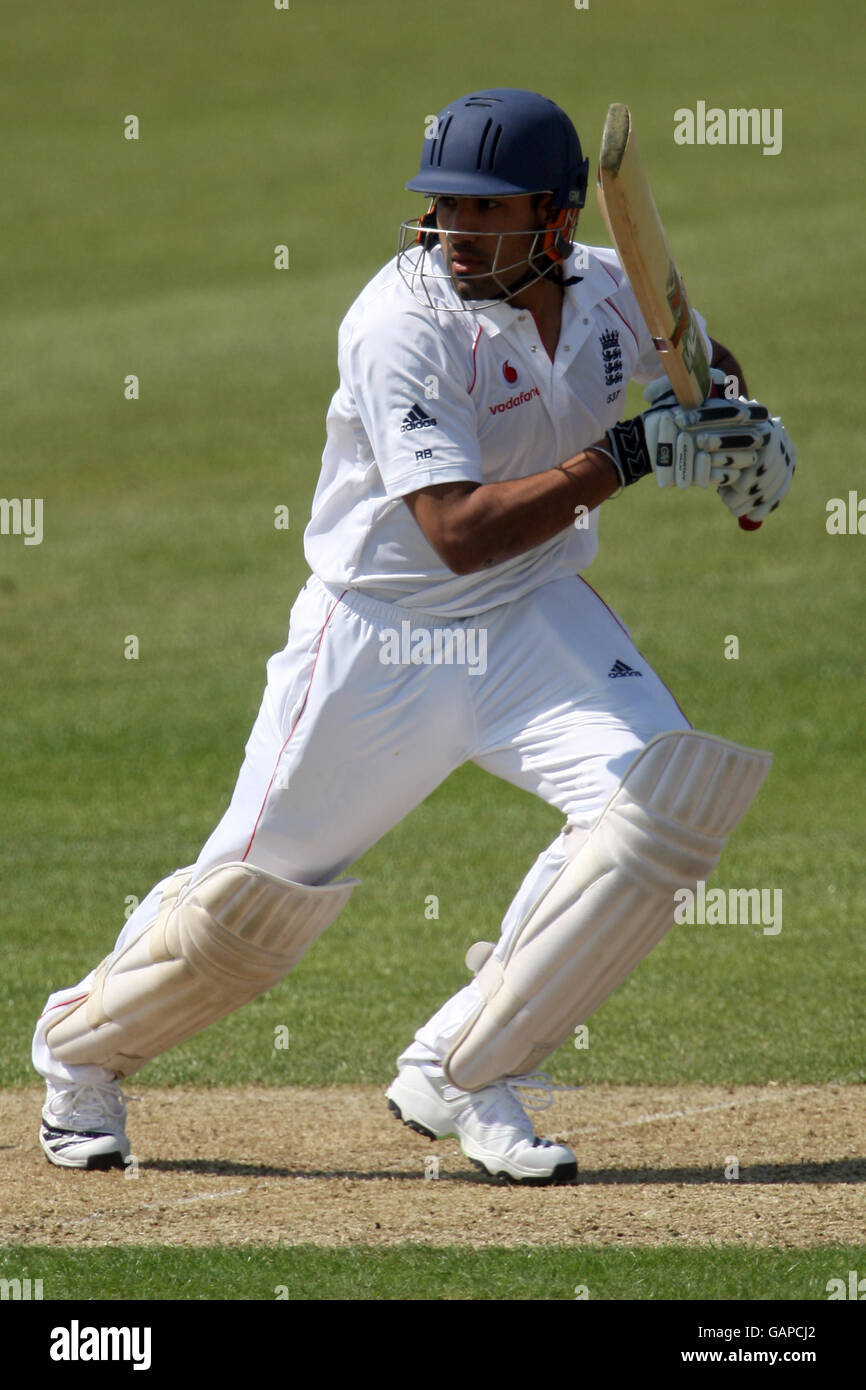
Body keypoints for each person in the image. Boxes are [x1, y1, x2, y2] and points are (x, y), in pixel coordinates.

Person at [33, 88, 795, 1184]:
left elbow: (704, 369)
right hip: (380, 636)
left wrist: (738, 433)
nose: (448, 230)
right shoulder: (398, 322)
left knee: (658, 811)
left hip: (532, 618)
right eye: (439, 204)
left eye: (479, 211)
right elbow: (453, 533)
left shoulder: (610, 295)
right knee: (244, 912)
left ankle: (465, 1066)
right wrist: (631, 456)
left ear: (550, 217)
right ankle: (79, 1056)